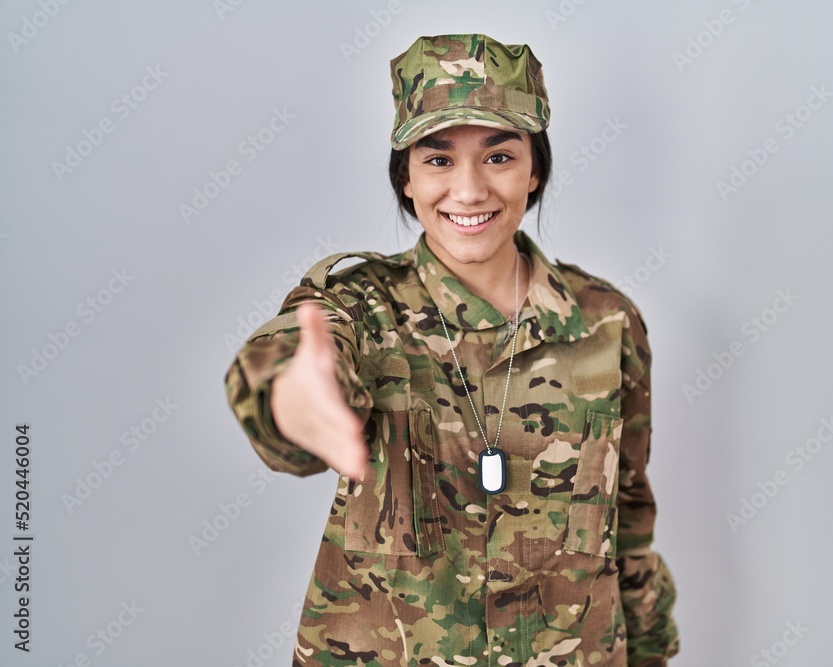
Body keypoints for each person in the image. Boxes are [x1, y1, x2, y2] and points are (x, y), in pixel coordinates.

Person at [224, 33, 680, 666]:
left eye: (499, 156)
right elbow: (291, 350)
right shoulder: (362, 306)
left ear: (535, 170)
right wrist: (288, 393)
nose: (468, 191)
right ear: (406, 179)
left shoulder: (606, 321)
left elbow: (628, 524)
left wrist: (652, 652)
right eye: (438, 159)